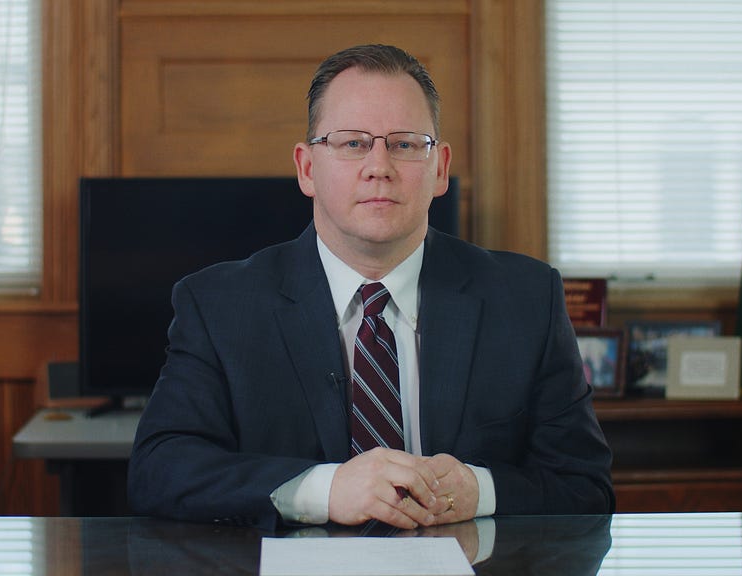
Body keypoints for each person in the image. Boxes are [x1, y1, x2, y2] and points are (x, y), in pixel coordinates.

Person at [127, 44, 614, 531]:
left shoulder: (527, 299)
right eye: (352, 142)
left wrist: (480, 490)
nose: (379, 166)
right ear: (307, 168)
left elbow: (584, 486)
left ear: (439, 168)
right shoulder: (218, 306)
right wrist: (325, 489)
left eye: (404, 144)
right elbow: (160, 470)